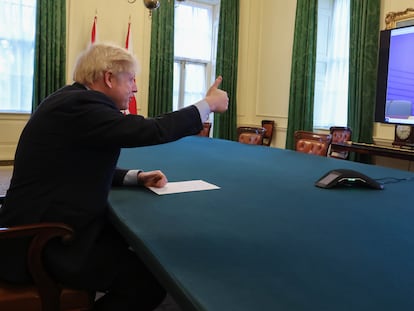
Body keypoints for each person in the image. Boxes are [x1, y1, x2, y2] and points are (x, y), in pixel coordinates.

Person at [0, 43, 228, 310]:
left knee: (136, 250)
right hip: (44, 242)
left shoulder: (71, 99)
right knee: (148, 282)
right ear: (108, 78)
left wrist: (135, 177)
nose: (135, 88)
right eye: (131, 79)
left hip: (49, 225)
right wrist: (207, 105)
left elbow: (76, 166)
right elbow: (150, 130)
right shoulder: (80, 106)